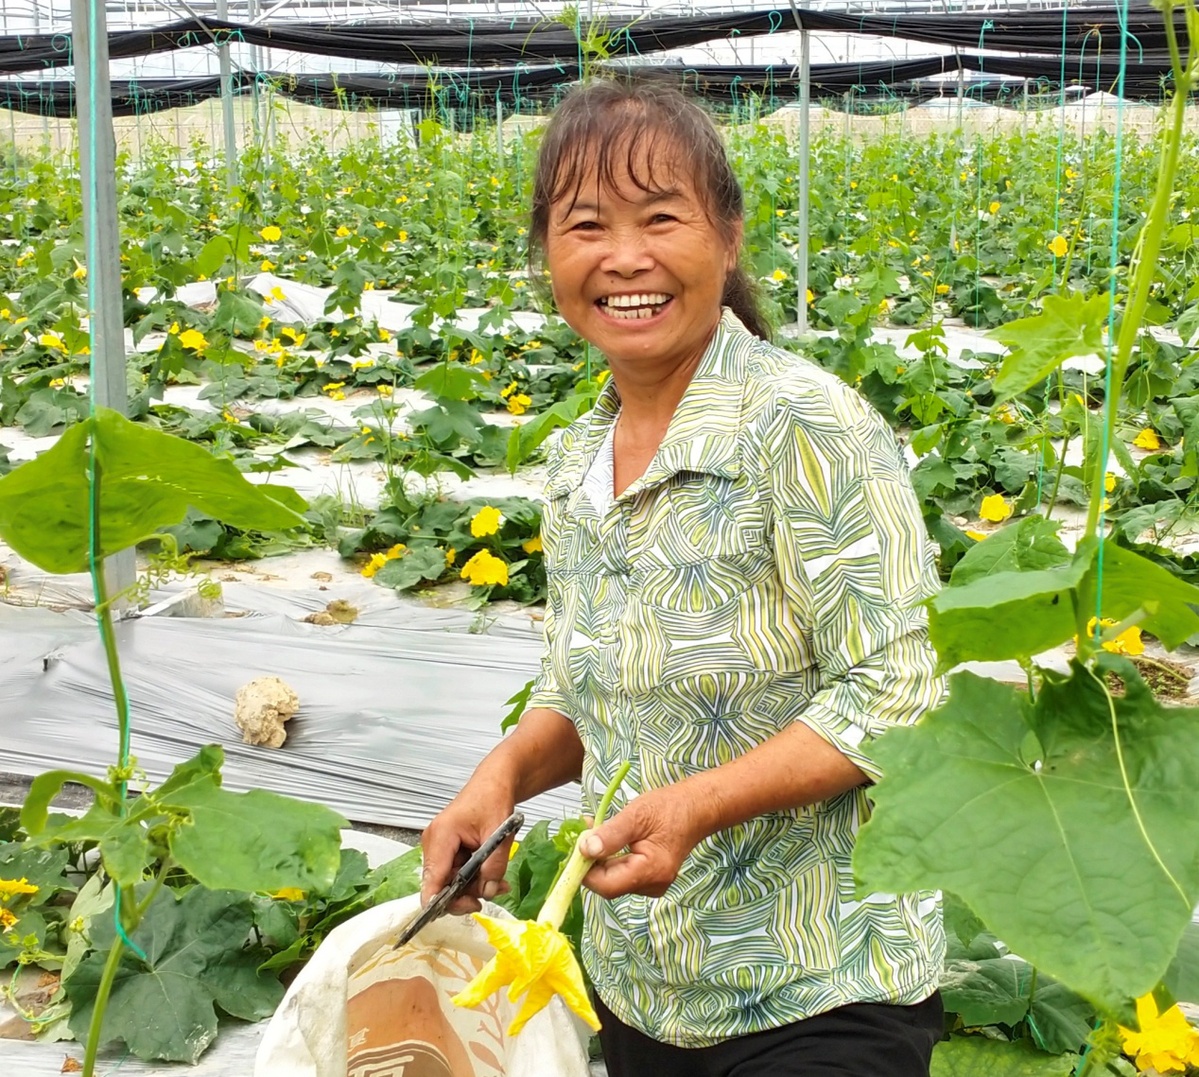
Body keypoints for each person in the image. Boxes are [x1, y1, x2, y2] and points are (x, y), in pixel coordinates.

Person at [421, 76, 946, 1077]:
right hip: (641, 989)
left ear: (728, 236)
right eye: (585, 226)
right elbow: (581, 692)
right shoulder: (578, 458)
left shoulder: (806, 425)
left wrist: (697, 805)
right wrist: (495, 781)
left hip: (818, 989)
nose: (624, 259)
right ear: (548, 255)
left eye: (660, 217)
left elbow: (895, 692)